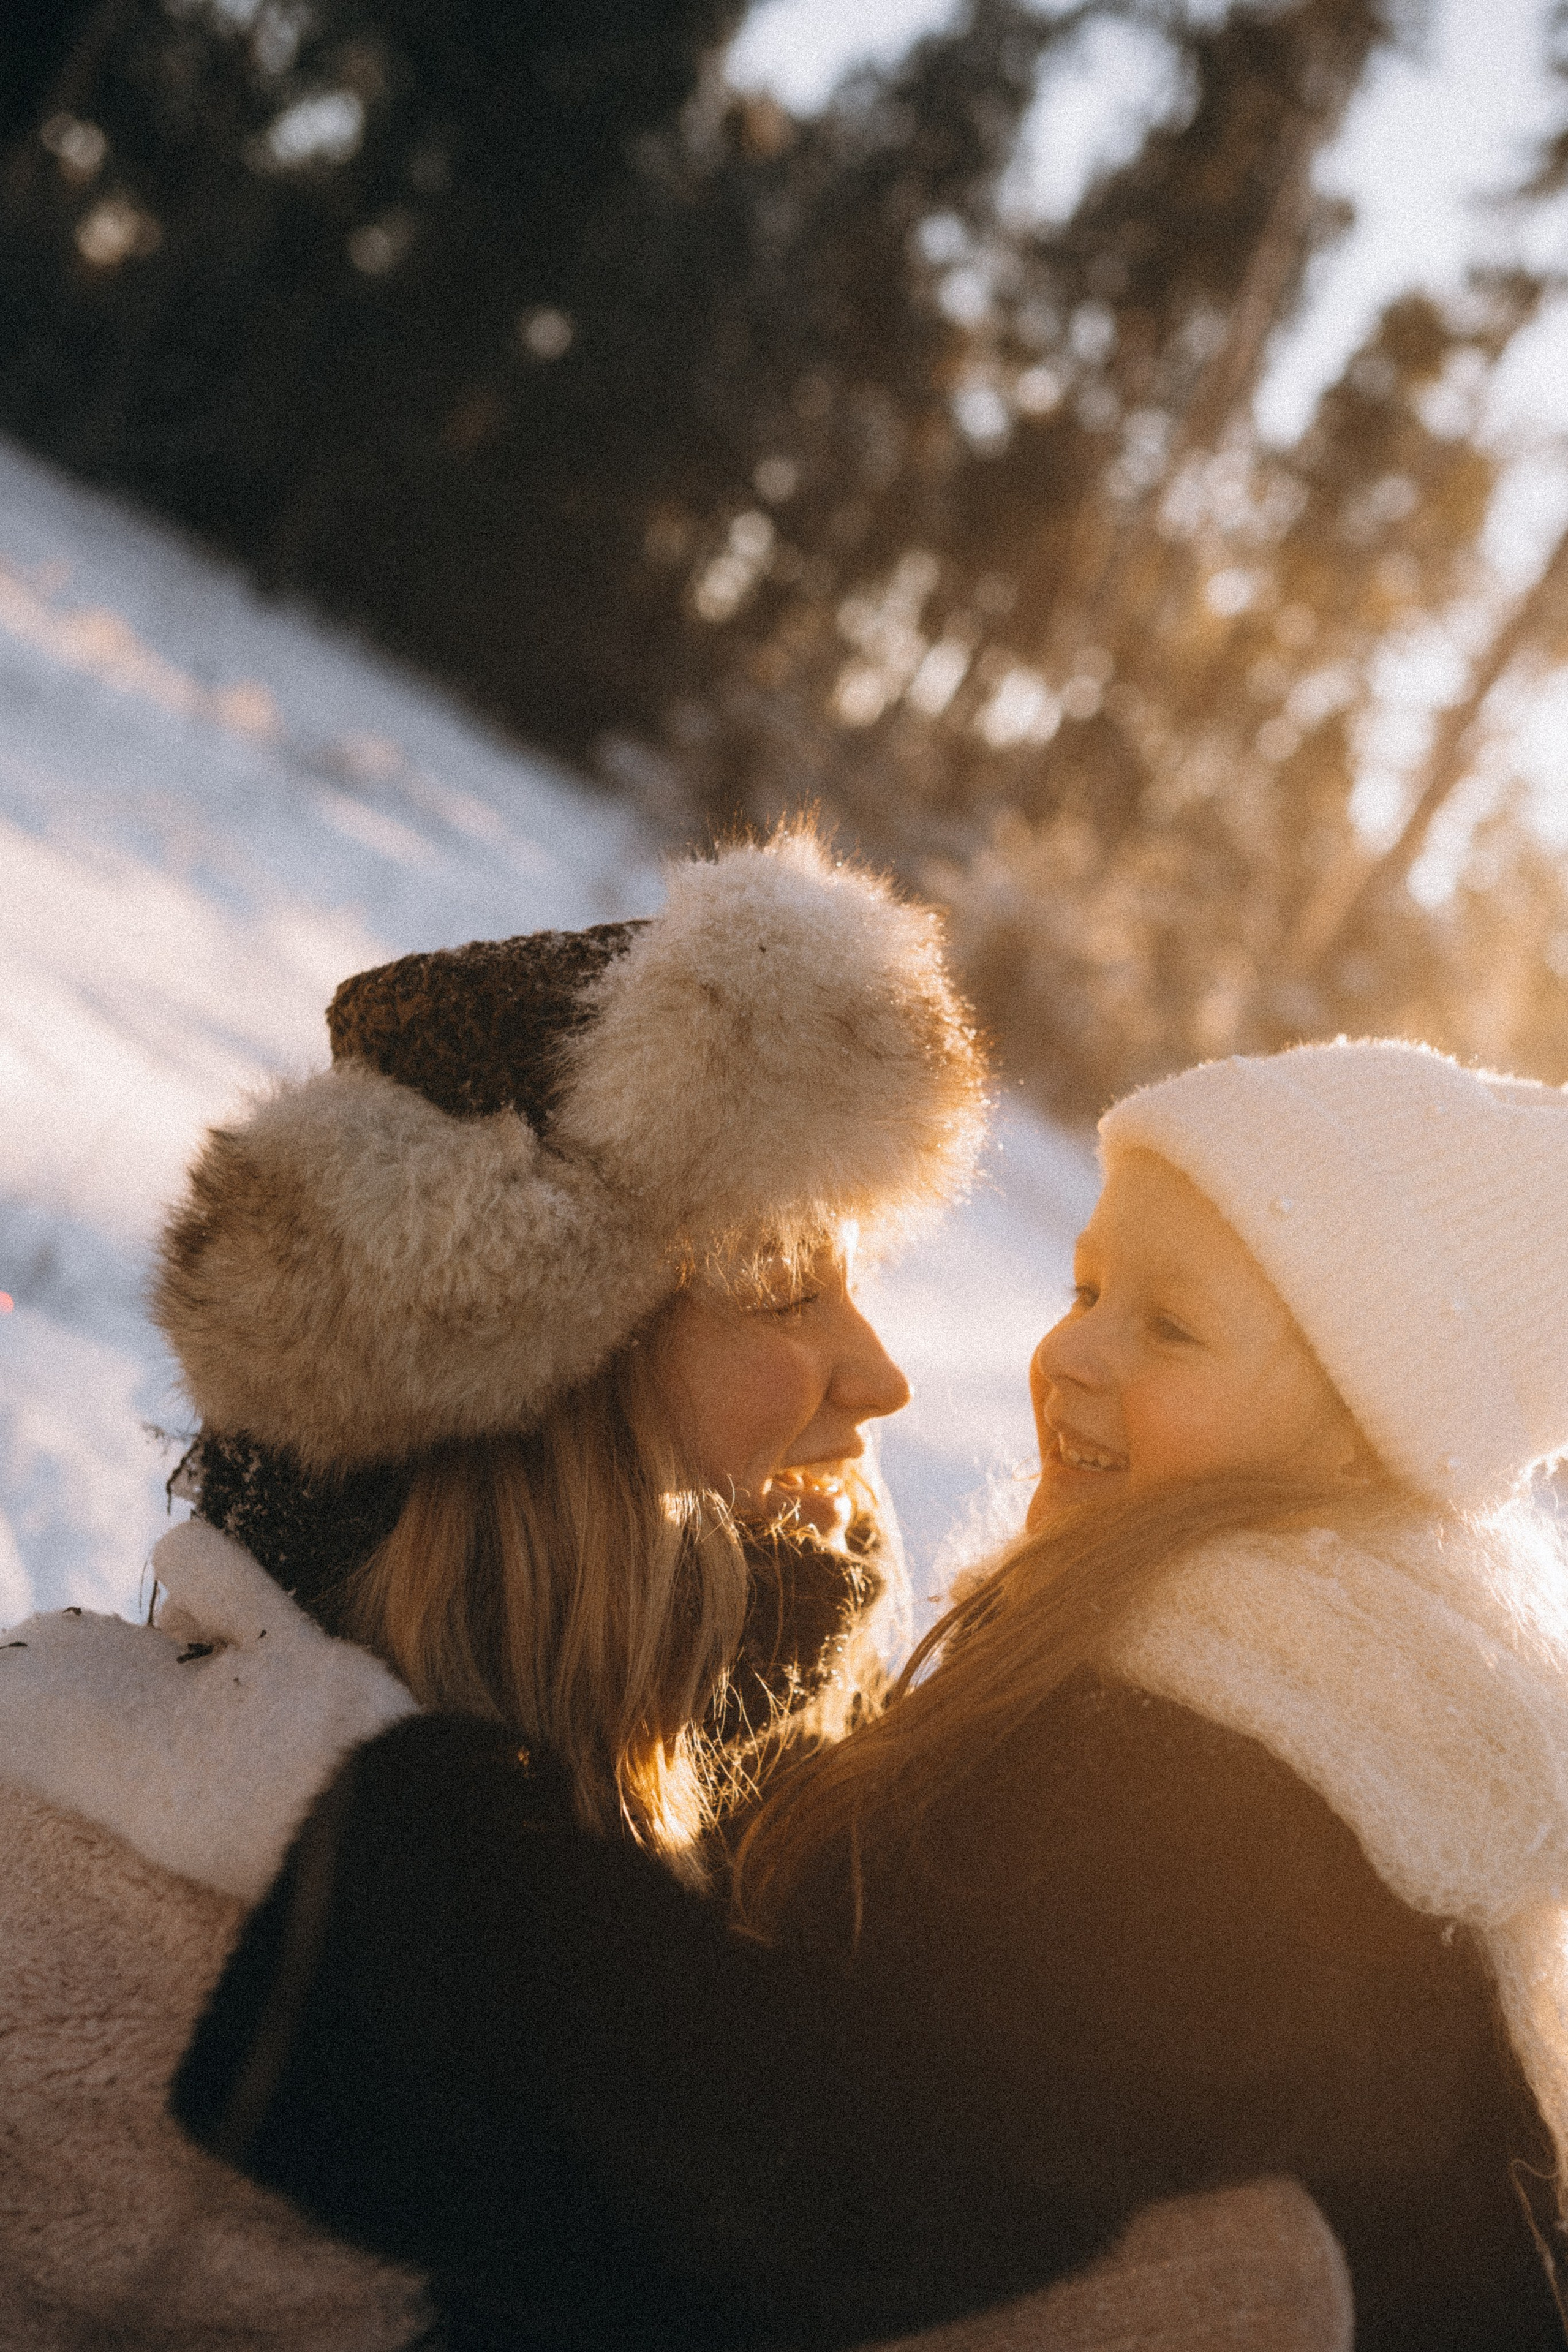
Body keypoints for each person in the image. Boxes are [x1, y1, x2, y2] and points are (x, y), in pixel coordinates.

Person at [176, 1038, 1568, 2347]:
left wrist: (375, 1819)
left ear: (1356, 1446)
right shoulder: (1291, 1708)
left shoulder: (1236, 1800)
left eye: (1173, 1329)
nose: (1073, 1353)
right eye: (1087, 1292)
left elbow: (827, 2172)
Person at [0, 829, 985, 2350]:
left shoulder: (802, 1809)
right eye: (786, 1289)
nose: (881, 1372)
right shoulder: (100, 1890)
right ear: (553, 1381)